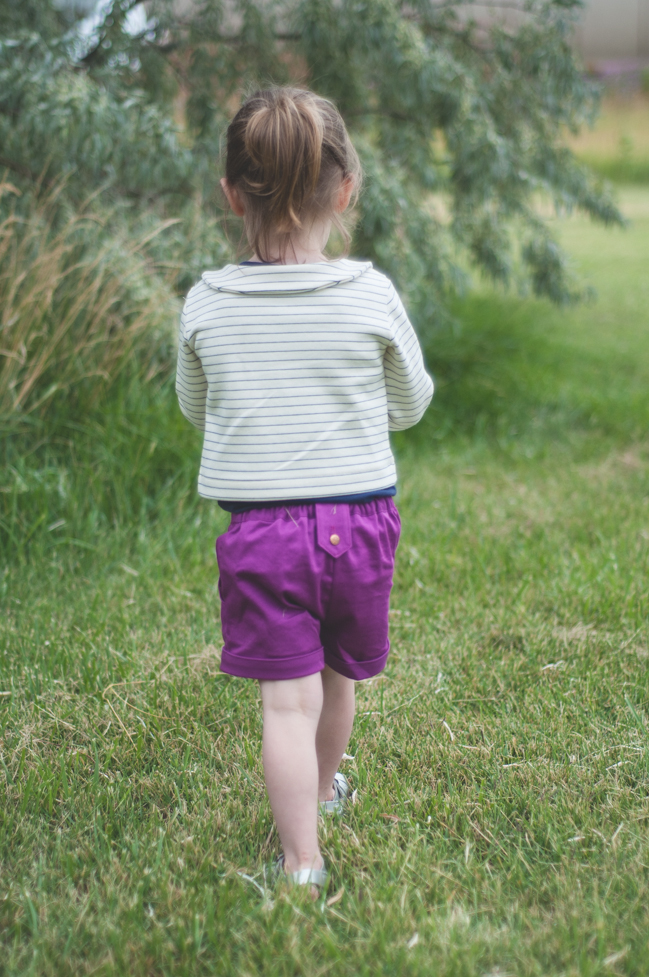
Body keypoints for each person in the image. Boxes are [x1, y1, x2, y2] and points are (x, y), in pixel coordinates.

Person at [176, 87, 433, 894]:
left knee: (284, 705)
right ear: (346, 189)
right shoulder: (371, 294)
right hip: (360, 523)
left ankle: (300, 864)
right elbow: (411, 402)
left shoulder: (207, 301)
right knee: (337, 676)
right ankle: (324, 791)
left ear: (230, 194)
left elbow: (196, 406)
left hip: (264, 534)